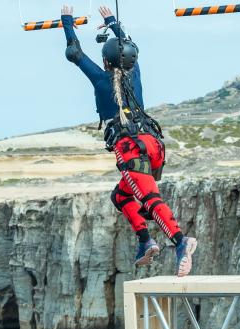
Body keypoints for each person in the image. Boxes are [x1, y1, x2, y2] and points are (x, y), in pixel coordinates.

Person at [61, 5, 197, 276]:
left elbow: (74, 53)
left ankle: (181, 242)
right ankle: (145, 240)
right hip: (154, 144)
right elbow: (128, 45)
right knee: (121, 195)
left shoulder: (102, 79)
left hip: (131, 147)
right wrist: (112, 22)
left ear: (107, 62)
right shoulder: (135, 73)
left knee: (149, 199)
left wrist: (67, 21)